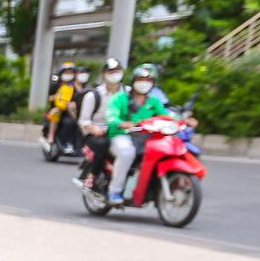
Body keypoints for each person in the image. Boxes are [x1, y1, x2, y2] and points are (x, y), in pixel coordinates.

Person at [106, 64, 171, 204]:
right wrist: (122, 123)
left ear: (153, 84)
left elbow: (166, 117)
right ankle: (114, 191)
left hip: (145, 138)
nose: (144, 83)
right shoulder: (121, 98)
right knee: (126, 153)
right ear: (133, 81)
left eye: (148, 80)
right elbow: (111, 116)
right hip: (121, 135)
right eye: (141, 79)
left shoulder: (154, 101)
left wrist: (184, 121)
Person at [76, 57, 123, 187]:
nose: (114, 75)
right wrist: (94, 129)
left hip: (121, 131)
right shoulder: (93, 95)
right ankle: (92, 175)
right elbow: (83, 121)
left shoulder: (127, 93)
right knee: (103, 143)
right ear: (104, 75)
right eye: (111, 72)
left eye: (117, 71)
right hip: (98, 133)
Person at [44, 62, 79, 146]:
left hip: (70, 110)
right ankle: (51, 135)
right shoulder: (56, 85)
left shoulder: (75, 86)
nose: (68, 74)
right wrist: (57, 97)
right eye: (66, 72)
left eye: (70, 72)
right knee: (56, 112)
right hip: (57, 108)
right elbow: (49, 98)